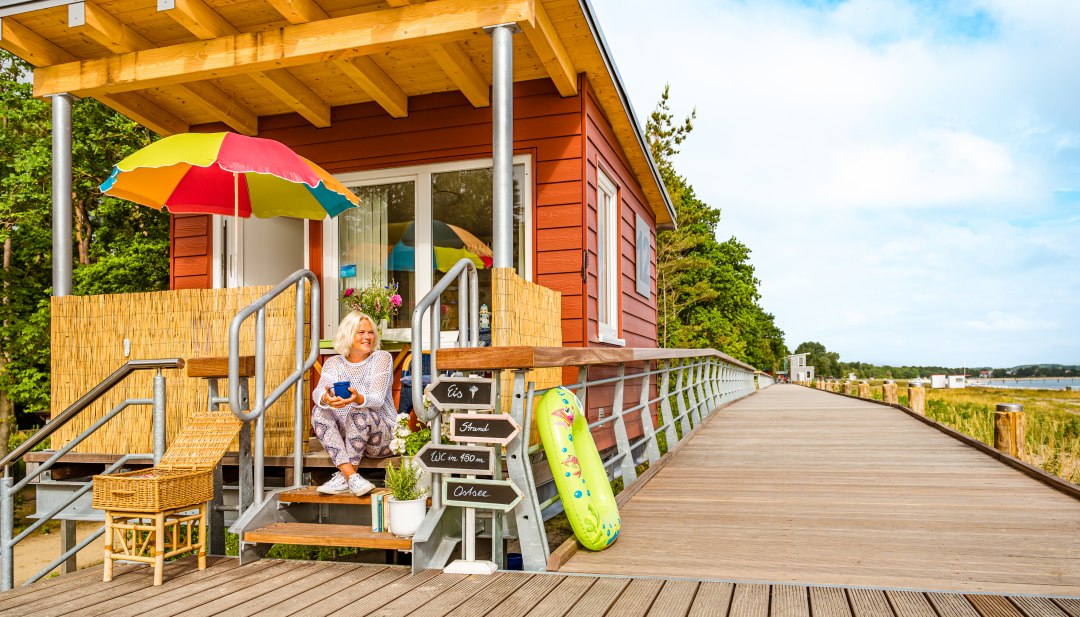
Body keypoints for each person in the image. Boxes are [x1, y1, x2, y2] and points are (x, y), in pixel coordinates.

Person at [311, 311, 396, 496]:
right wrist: (326, 399)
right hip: (346, 439)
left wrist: (357, 399)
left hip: (380, 439)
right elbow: (317, 391)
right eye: (361, 332)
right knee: (319, 411)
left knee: (359, 412)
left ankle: (344, 476)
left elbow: (377, 399)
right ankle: (352, 477)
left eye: (370, 332)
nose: (367, 337)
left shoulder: (381, 358)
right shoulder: (334, 363)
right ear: (348, 335)